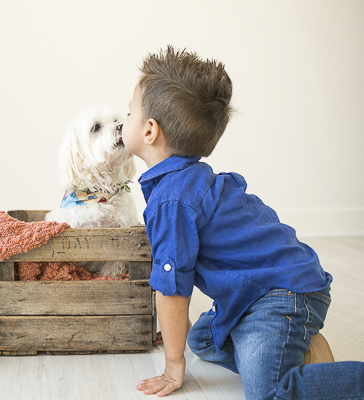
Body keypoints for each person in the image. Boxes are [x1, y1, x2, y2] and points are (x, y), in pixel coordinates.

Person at [122, 46, 364, 399]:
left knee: (267, 393)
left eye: (129, 113)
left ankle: (308, 365)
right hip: (258, 292)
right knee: (203, 339)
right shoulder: (188, 181)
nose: (123, 119)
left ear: (149, 131)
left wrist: (174, 364)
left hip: (282, 293)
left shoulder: (172, 200)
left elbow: (172, 290)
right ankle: (301, 351)